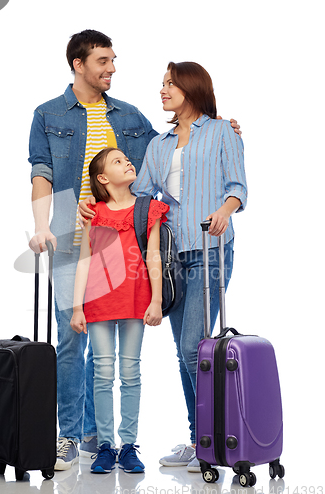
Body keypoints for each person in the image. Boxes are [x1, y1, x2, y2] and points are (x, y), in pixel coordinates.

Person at [28, 27, 241, 471]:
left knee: (122, 349)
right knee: (73, 338)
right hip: (72, 233)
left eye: (113, 60)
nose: (112, 69)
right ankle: (72, 436)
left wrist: (223, 129)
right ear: (78, 64)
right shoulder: (47, 114)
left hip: (125, 240)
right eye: (103, 61)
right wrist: (41, 226)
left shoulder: (130, 118)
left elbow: (159, 164)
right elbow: (42, 173)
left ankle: (107, 437)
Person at [79, 61, 247, 472]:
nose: (162, 90)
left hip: (210, 249)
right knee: (183, 351)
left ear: (190, 88)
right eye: (163, 83)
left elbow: (237, 187)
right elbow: (132, 190)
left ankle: (208, 438)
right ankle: (199, 437)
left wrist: (225, 210)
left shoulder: (223, 132)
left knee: (194, 347)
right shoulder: (160, 145)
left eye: (170, 83)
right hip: (173, 258)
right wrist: (94, 202)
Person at [70, 147, 168, 473]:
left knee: (130, 373)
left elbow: (153, 255)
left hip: (135, 301)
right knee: (102, 374)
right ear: (102, 178)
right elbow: (84, 260)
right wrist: (77, 308)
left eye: (127, 158)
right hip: (98, 303)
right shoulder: (93, 214)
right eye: (117, 161)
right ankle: (105, 446)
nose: (127, 162)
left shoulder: (148, 209)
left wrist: (156, 299)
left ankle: (128, 446)